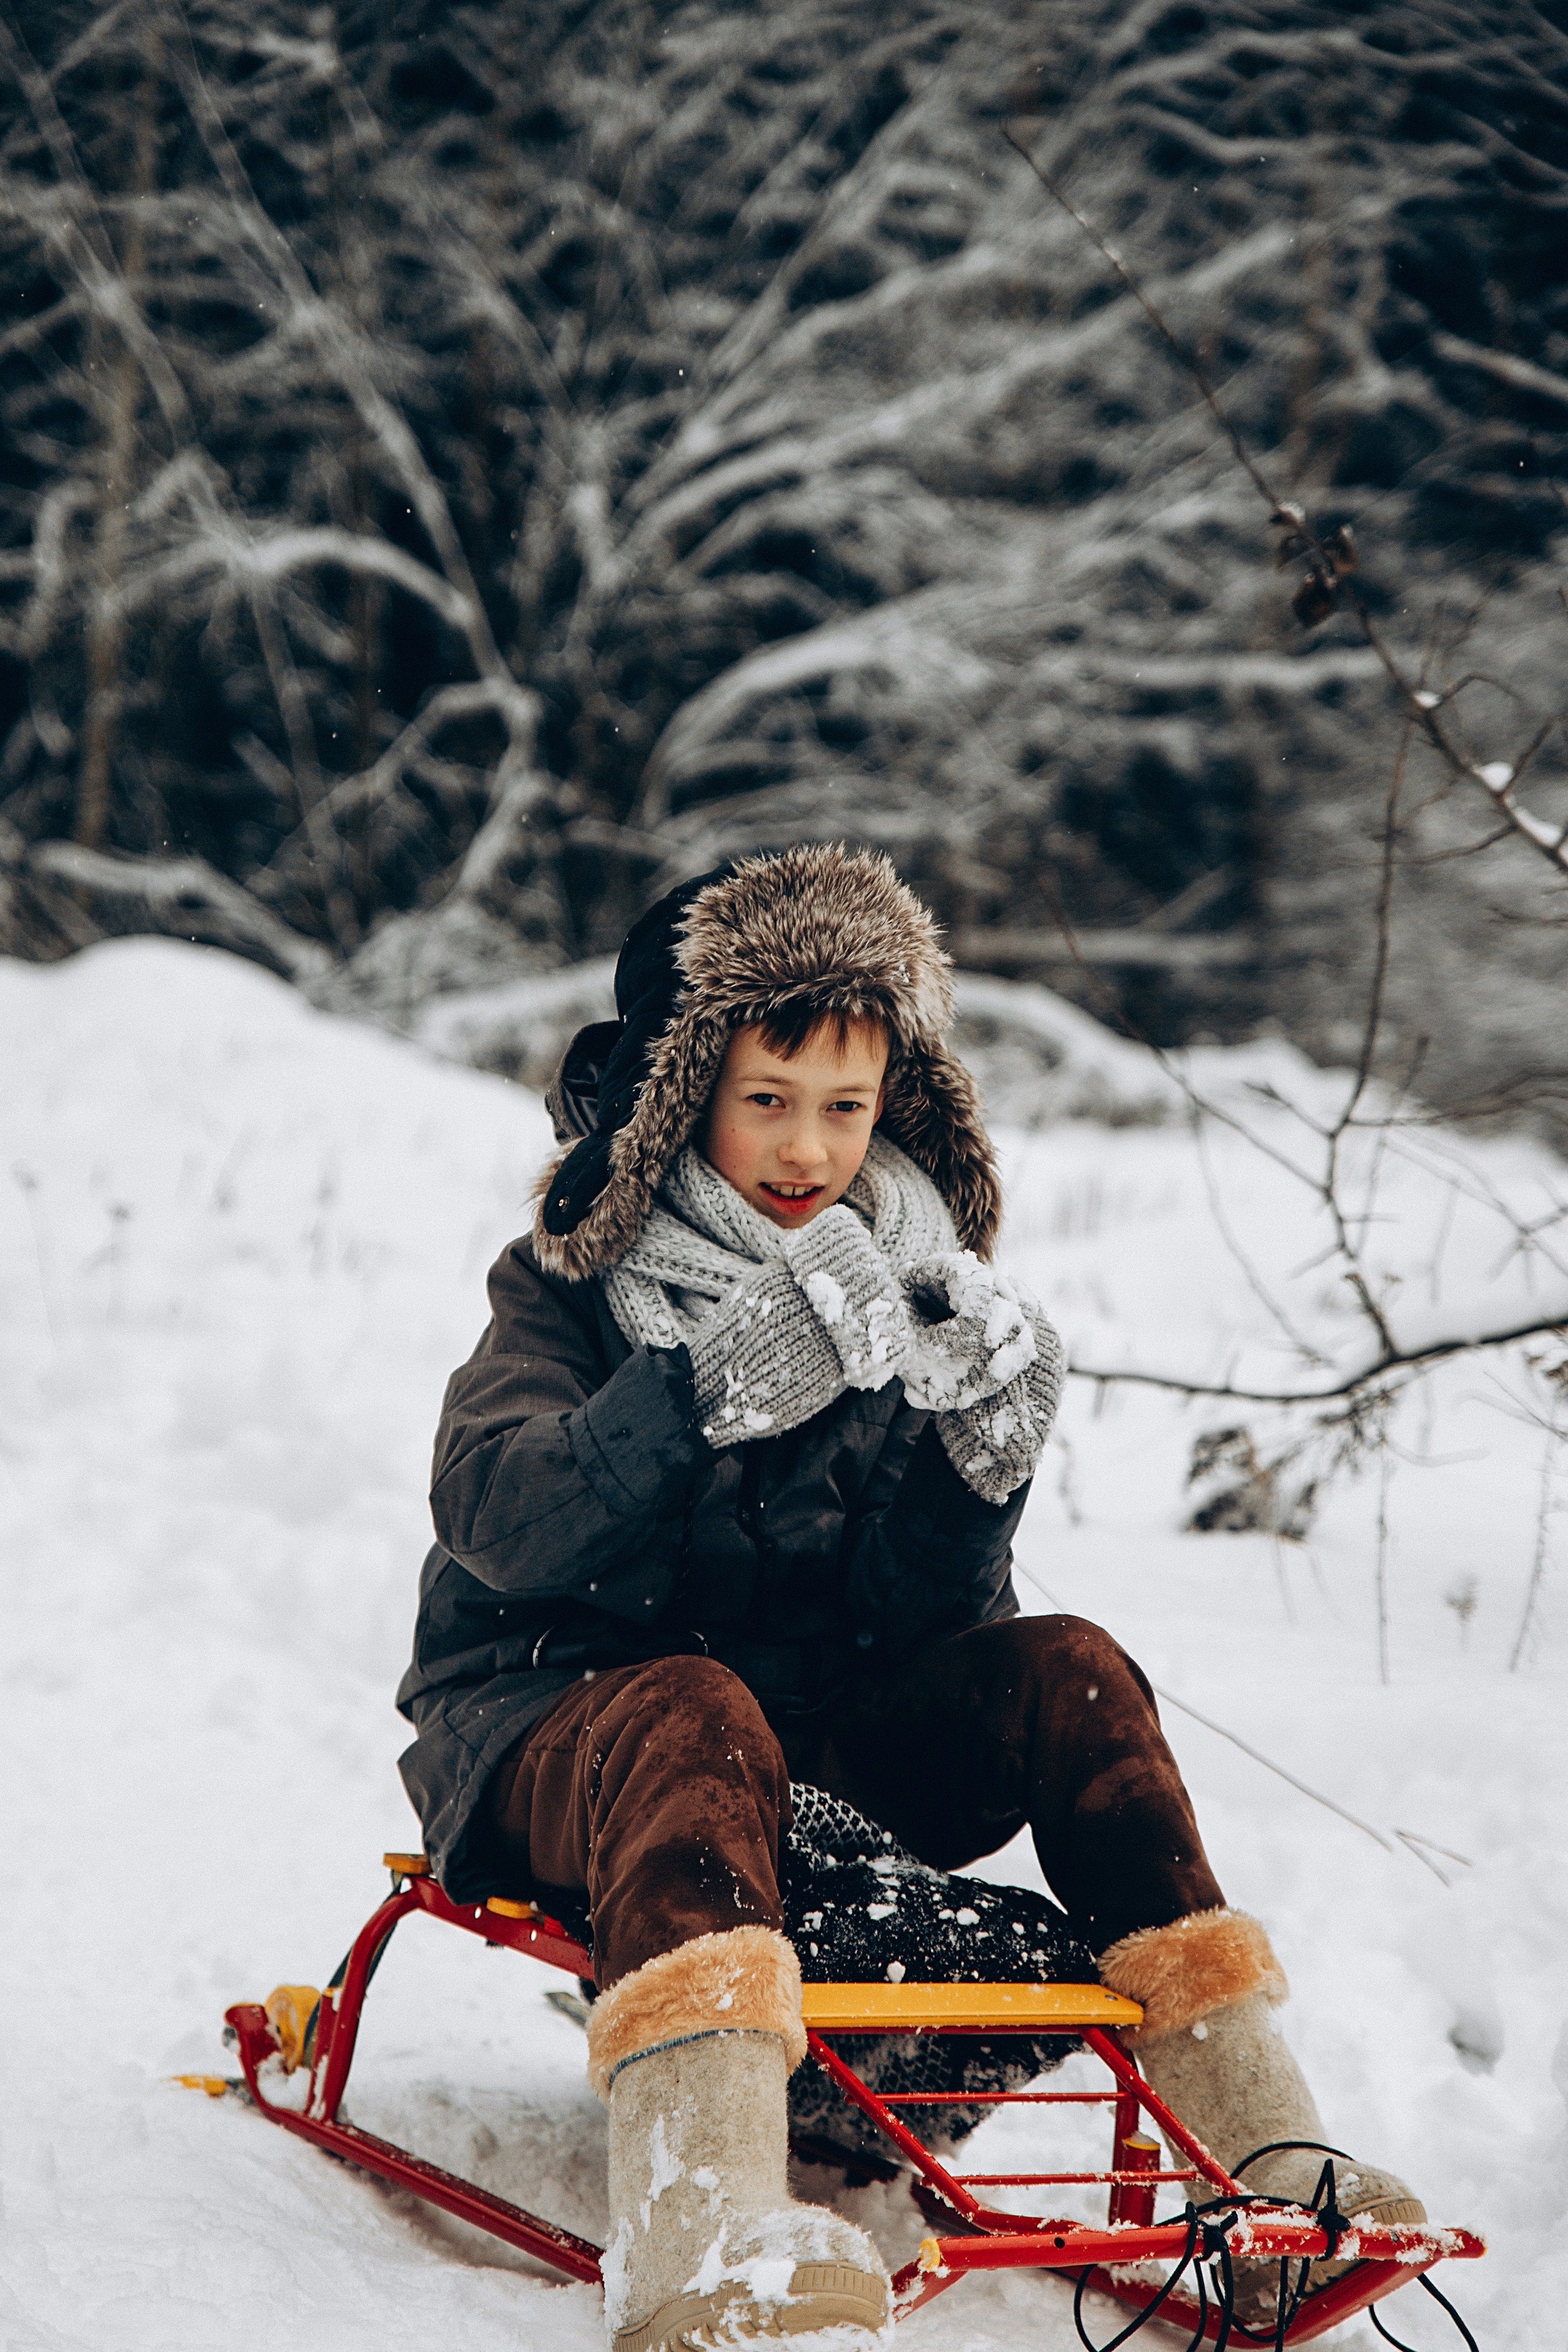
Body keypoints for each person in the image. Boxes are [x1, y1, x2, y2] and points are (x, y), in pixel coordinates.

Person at [395, 846, 1421, 2352]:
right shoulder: (569, 1281)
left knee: (1070, 1669)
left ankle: (1263, 2153)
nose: (805, 1146)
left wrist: (970, 1472)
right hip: (560, 1734)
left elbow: (919, 1628)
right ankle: (702, 2219)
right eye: (764, 1099)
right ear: (679, 1096)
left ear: (896, 1104)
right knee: (693, 1705)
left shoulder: (898, 1285)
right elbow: (494, 1520)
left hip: (805, 1742)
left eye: (844, 1105)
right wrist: (693, 1394)